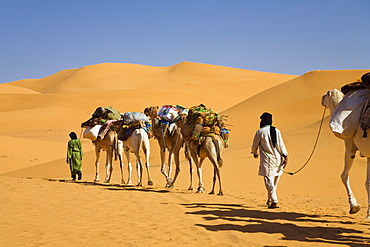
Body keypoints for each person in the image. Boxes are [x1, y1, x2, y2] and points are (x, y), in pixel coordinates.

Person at [251, 112, 288, 209]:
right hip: (278, 159)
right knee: (274, 180)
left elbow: (255, 145)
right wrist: (286, 156)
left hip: (267, 160)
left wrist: (254, 152)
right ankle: (270, 199)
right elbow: (281, 145)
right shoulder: (277, 130)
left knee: (268, 180)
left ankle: (274, 201)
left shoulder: (260, 132)